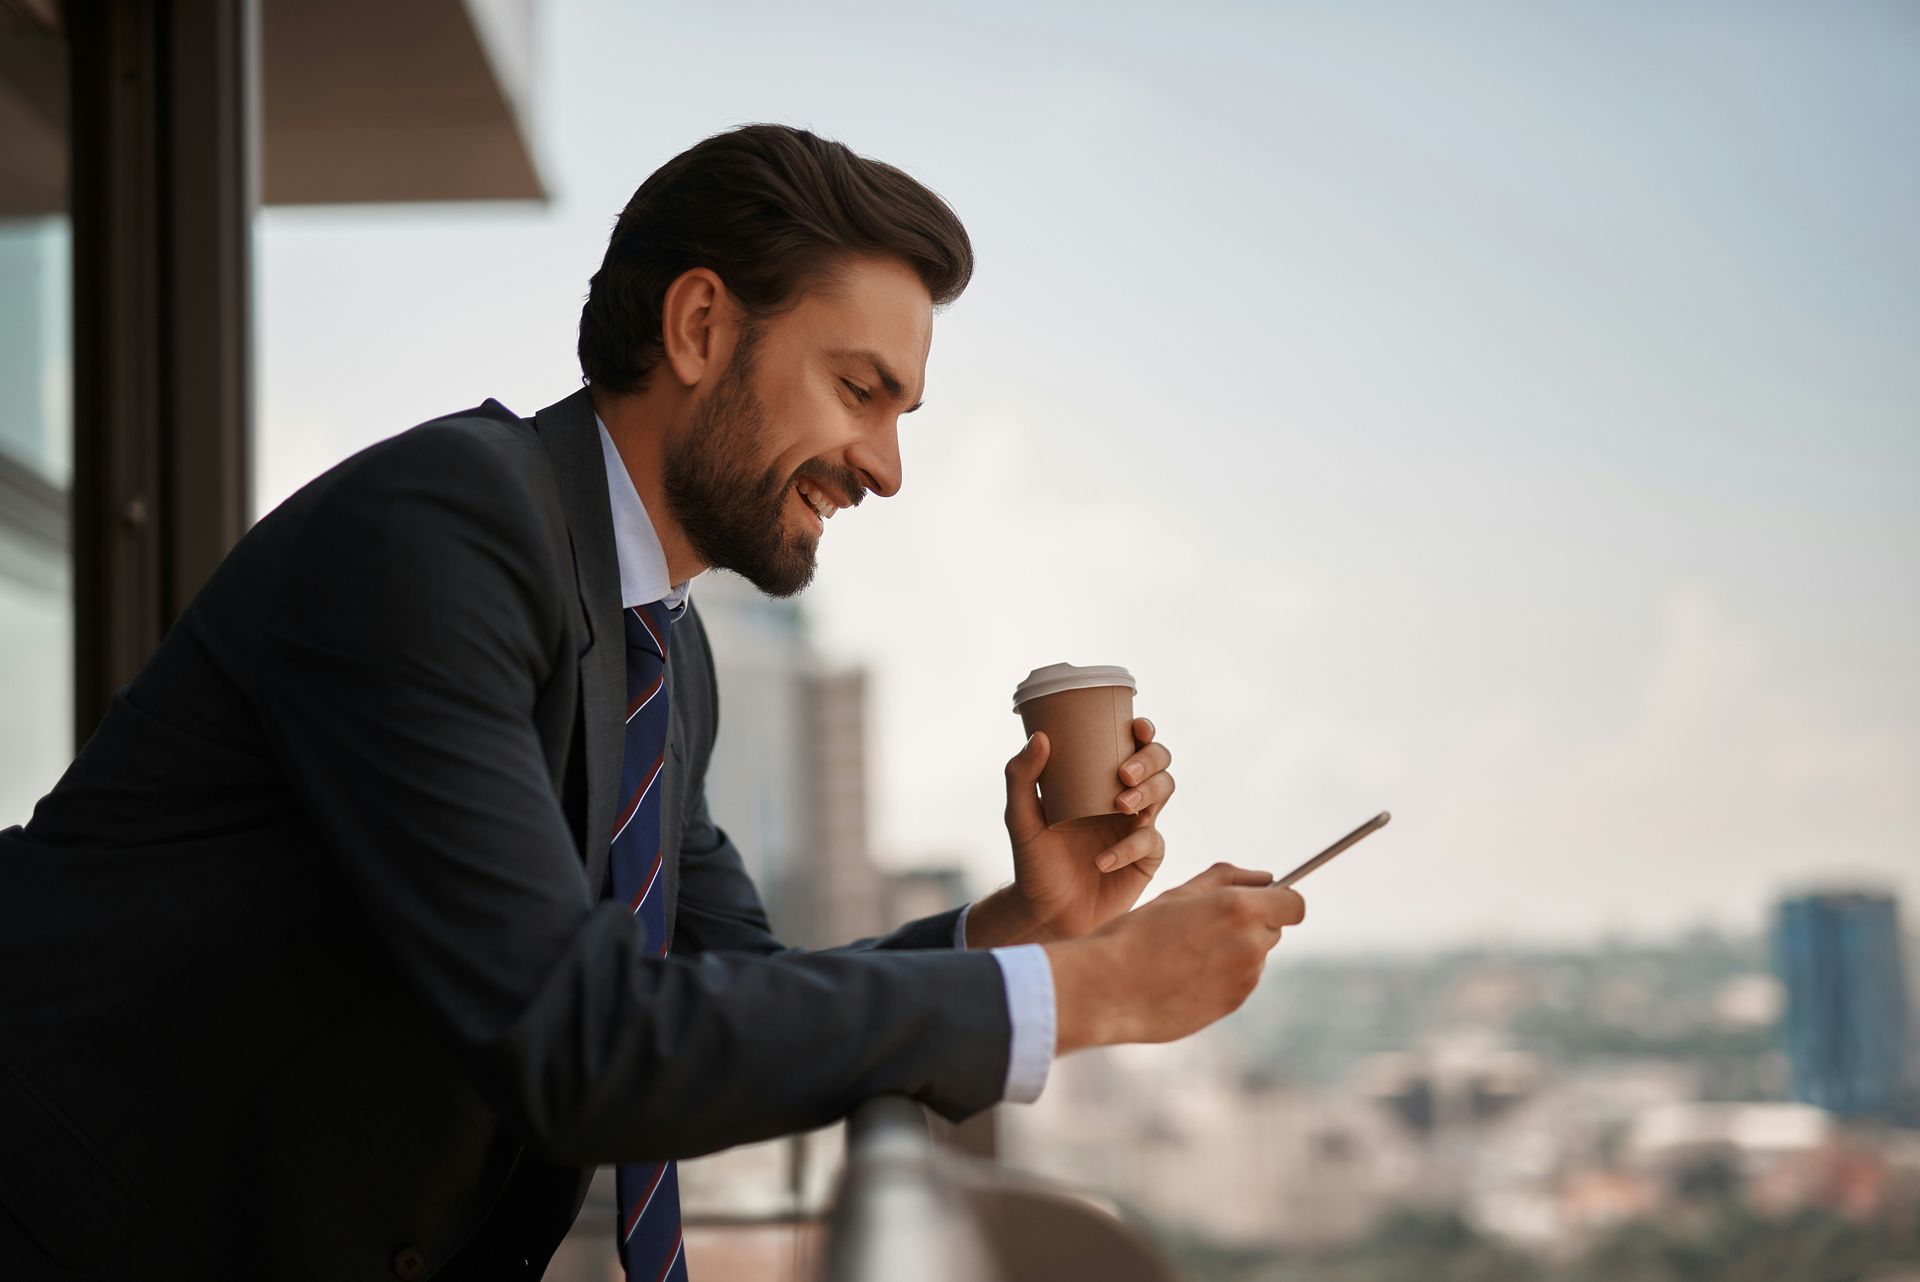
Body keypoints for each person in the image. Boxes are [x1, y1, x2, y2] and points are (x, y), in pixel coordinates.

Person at [0, 124, 1307, 1282]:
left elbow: (739, 998)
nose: (889, 468)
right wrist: (1094, 997)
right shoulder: (443, 530)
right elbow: (584, 1041)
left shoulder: (666, 665)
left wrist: (1038, 928)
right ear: (698, 328)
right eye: (860, 391)